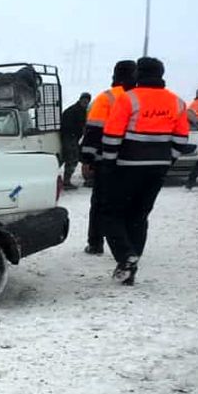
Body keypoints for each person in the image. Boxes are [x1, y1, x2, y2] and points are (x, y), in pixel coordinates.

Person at [96, 56, 195, 284]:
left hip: (127, 167)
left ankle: (126, 257)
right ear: (161, 74)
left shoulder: (128, 99)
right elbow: (181, 139)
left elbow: (112, 135)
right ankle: (131, 263)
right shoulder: (177, 102)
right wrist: (166, 160)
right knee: (139, 215)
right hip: (157, 168)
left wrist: (109, 163)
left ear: (138, 75)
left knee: (111, 214)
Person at [79, 60, 138, 255]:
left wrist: (87, 159)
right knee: (128, 204)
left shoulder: (105, 98)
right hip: (132, 161)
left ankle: (96, 243)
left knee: (100, 204)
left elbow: (93, 131)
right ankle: (127, 243)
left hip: (106, 161)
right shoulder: (139, 98)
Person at [58, 93, 90, 189]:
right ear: (80, 100)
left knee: (66, 157)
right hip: (70, 137)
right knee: (72, 158)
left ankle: (62, 179)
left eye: (87, 101)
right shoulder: (75, 111)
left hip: (71, 137)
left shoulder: (79, 110)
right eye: (84, 101)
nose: (85, 103)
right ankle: (66, 182)